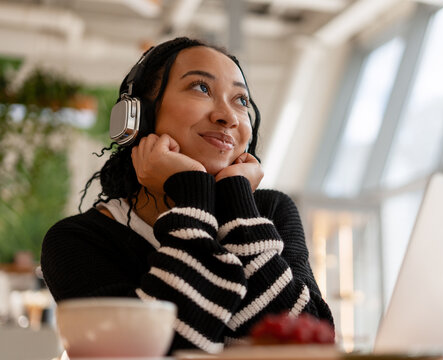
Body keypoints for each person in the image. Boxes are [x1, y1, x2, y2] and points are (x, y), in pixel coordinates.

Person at [41, 37, 333, 354]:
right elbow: (159, 351)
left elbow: (307, 345)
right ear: (139, 115)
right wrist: (193, 193)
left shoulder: (270, 211)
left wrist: (238, 207)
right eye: (201, 88)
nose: (229, 117)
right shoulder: (76, 241)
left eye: (241, 100)